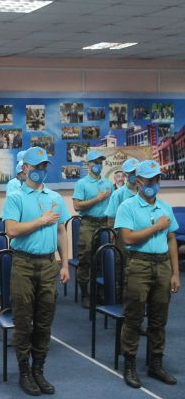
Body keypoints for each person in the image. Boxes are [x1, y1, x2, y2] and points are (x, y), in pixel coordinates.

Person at [1, 146, 71, 396]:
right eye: (36, 166)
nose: (41, 170)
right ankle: (24, 372)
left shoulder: (55, 198)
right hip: (23, 264)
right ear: (25, 168)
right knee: (23, 321)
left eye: (44, 166)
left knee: (44, 321)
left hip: (48, 264)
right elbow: (11, 230)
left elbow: (61, 231)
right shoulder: (16, 197)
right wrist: (41, 221)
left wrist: (64, 264)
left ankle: (38, 369)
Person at [114, 160, 180, 389]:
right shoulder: (127, 207)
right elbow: (128, 238)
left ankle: (156, 363)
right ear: (139, 182)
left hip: (162, 265)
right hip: (138, 264)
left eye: (157, 179)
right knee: (133, 317)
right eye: (149, 180)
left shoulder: (165, 207)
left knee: (159, 318)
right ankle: (130, 365)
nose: (154, 183)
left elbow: (171, 239)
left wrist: (175, 273)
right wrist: (156, 227)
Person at [72, 150, 113, 308]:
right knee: (86, 257)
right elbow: (77, 206)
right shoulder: (82, 183)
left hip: (104, 224)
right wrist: (97, 199)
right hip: (88, 224)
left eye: (100, 162)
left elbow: (112, 207)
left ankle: (100, 292)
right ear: (88, 165)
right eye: (95, 162)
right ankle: (85, 294)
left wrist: (112, 228)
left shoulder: (108, 183)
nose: (98, 165)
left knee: (103, 259)